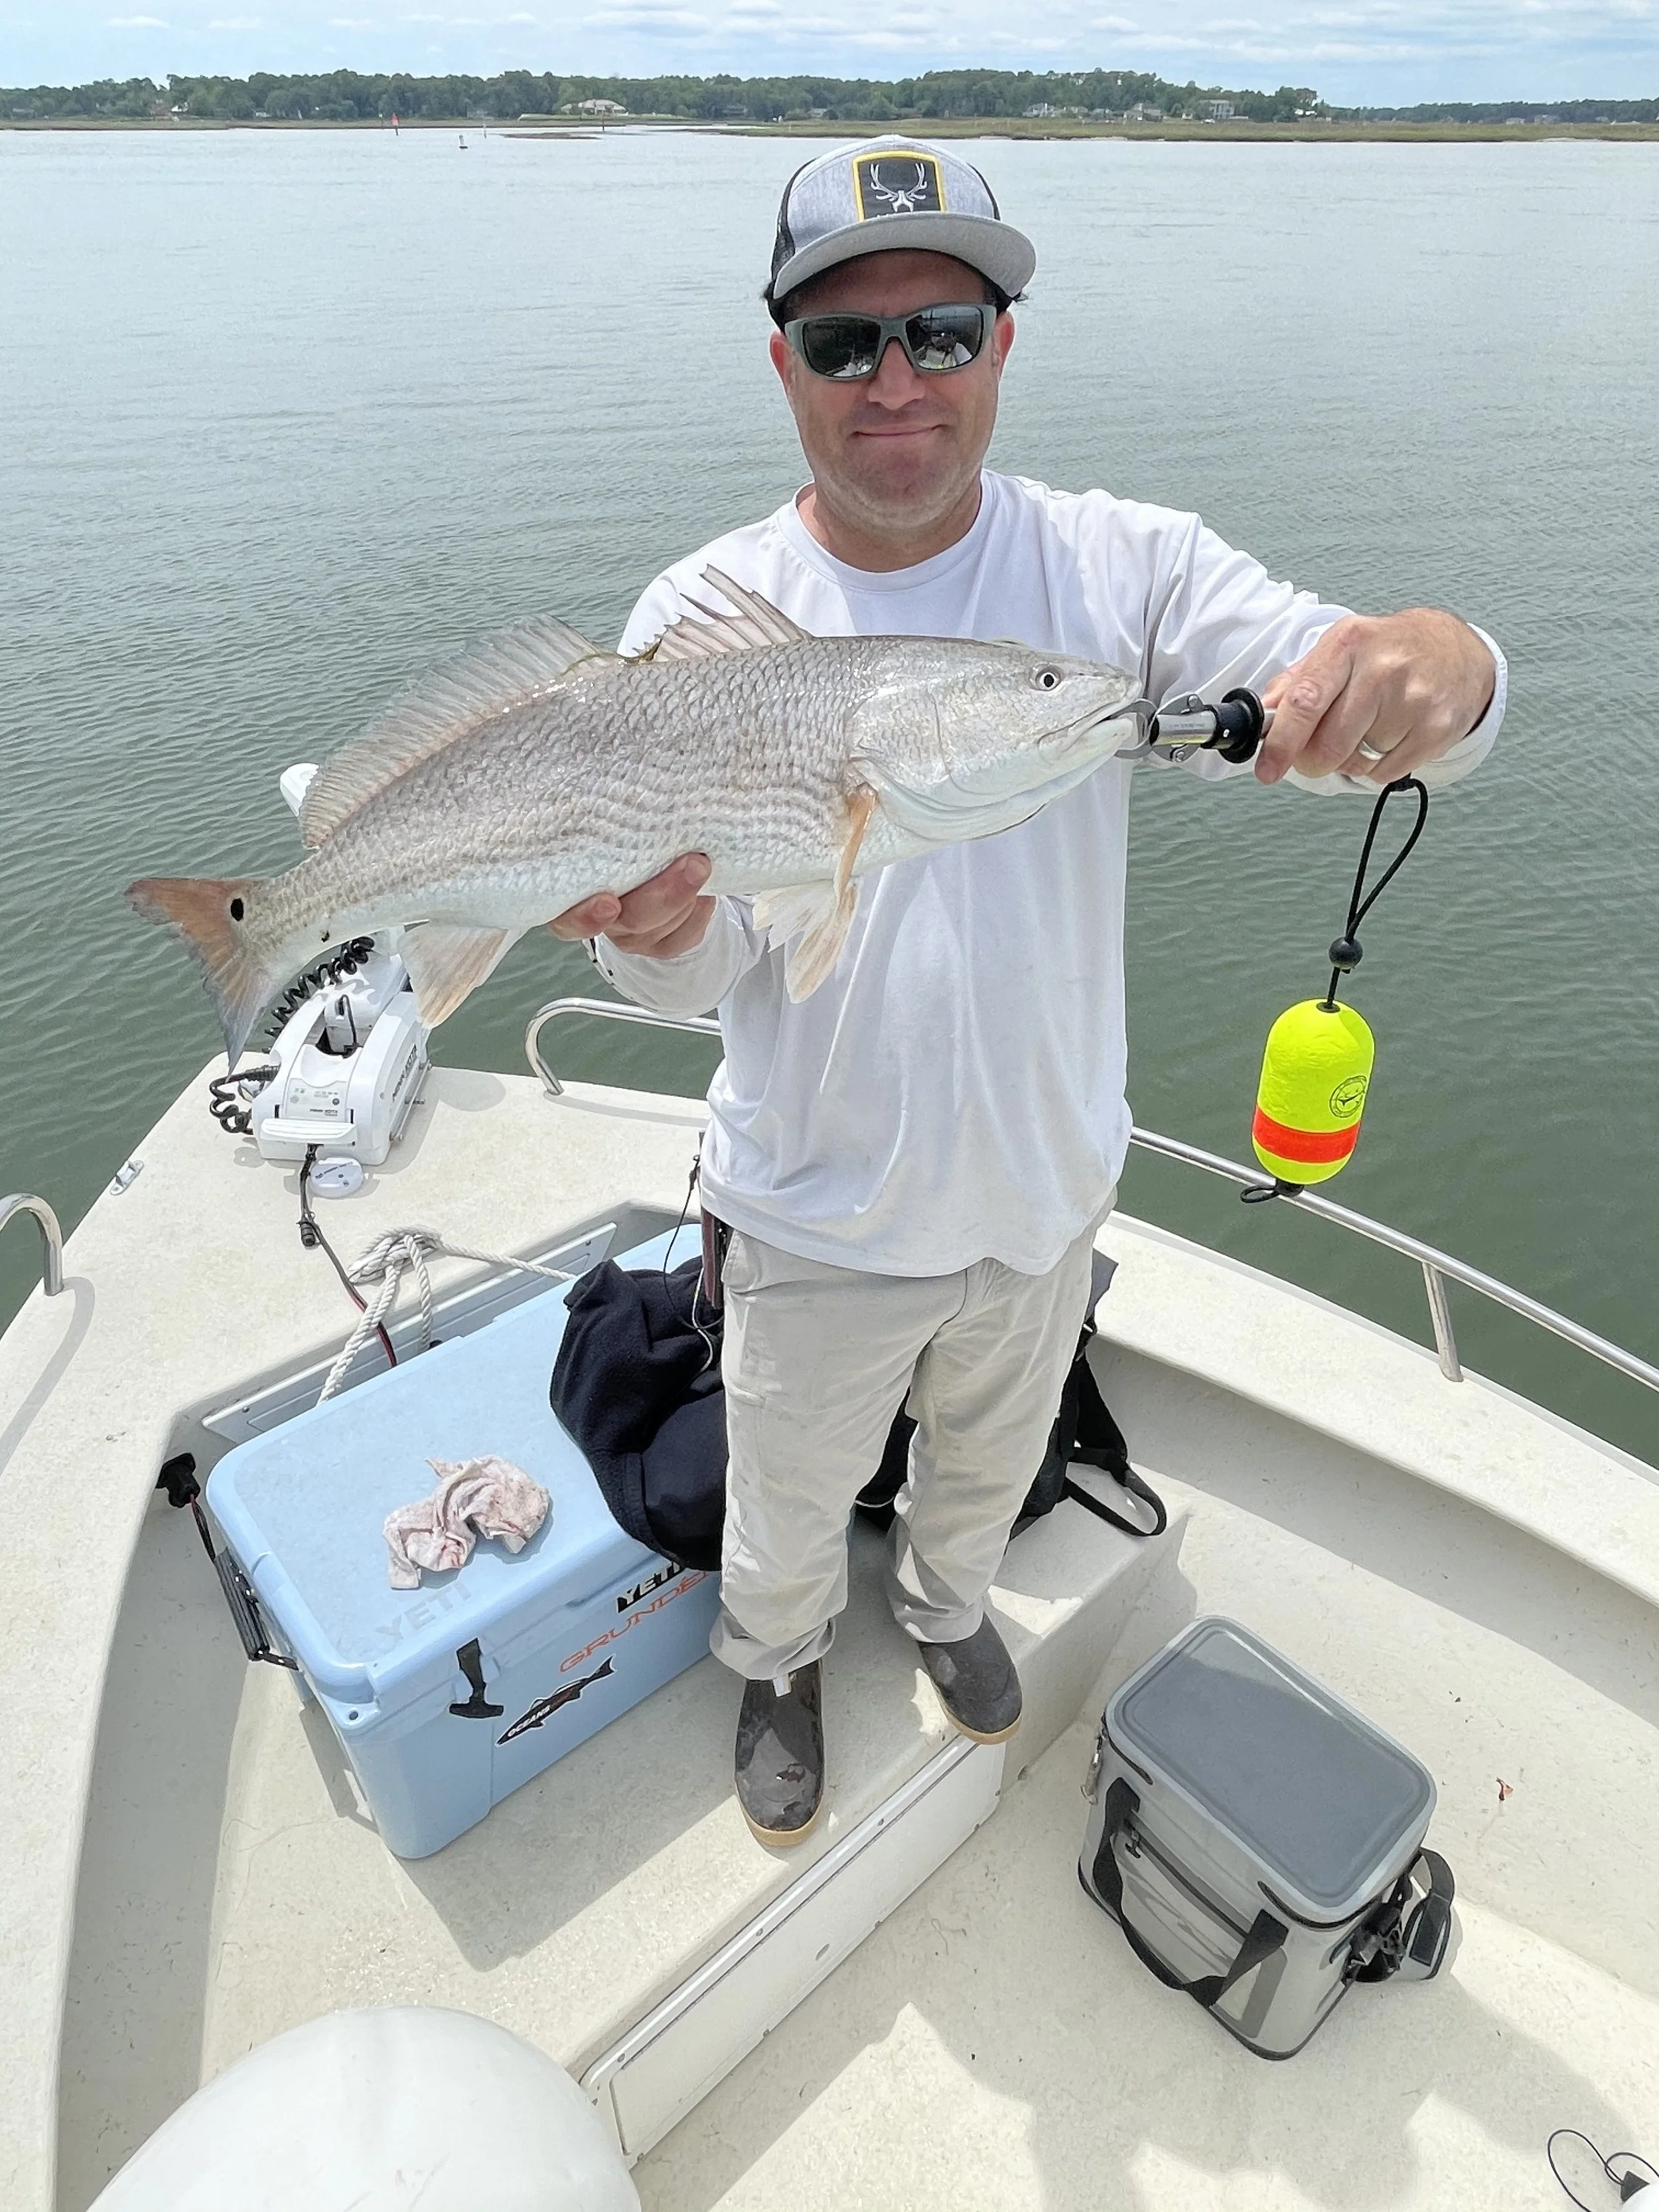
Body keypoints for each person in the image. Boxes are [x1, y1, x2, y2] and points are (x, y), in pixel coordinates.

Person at [551, 136, 1506, 1846]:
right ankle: (775, 1658)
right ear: (783, 366)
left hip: (1048, 1197)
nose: (896, 379)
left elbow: (1394, 684)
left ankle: (940, 1606)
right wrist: (649, 925)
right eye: (845, 343)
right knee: (781, 1492)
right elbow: (690, 984)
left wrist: (1435, 662)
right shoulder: (705, 615)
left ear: (1006, 348)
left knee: (984, 1469)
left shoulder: (1119, 574)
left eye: (944, 328)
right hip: (815, 1217)